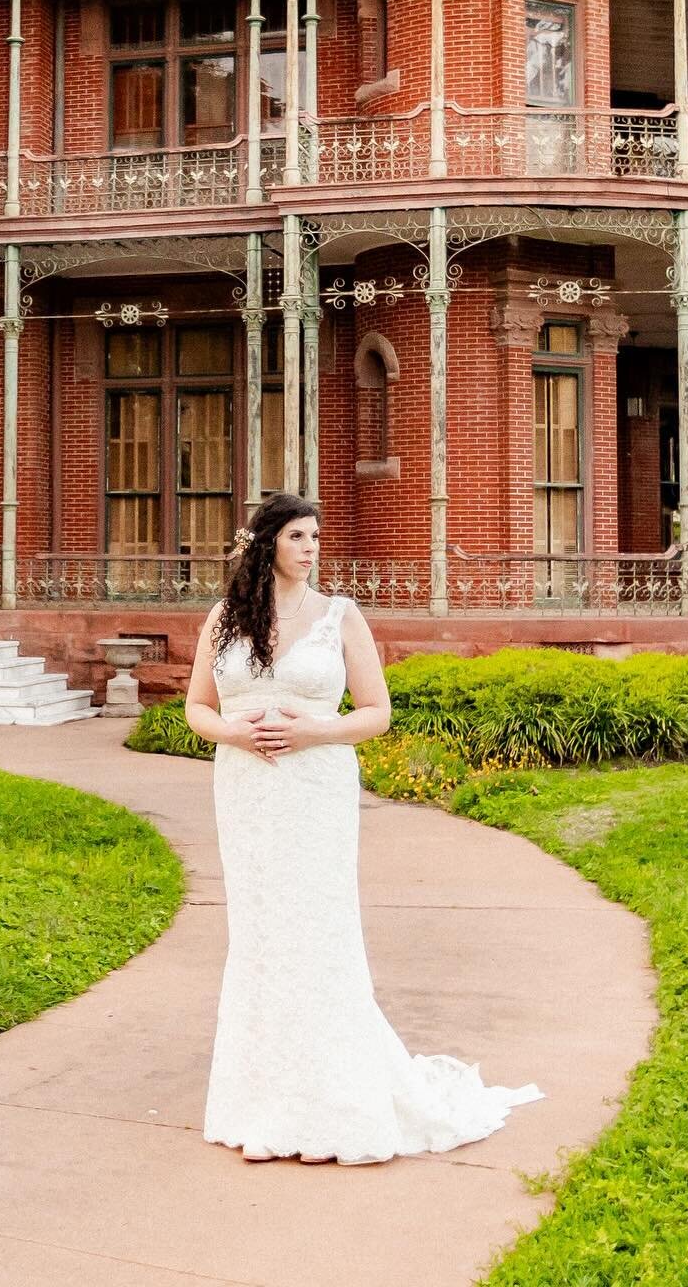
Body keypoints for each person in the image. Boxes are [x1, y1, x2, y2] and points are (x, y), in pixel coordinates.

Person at [185, 493, 542, 1165]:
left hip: (314, 788)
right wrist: (234, 731)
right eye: (297, 536)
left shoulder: (339, 616)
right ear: (266, 544)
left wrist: (315, 729)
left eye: (315, 536)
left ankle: (334, 1104)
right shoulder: (225, 619)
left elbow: (376, 712)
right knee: (261, 935)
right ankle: (259, 1102)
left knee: (316, 933)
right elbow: (196, 709)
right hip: (245, 791)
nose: (311, 548)